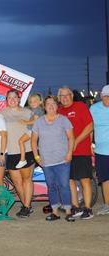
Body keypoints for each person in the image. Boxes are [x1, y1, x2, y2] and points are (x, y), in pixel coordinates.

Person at [31, 96, 75, 222]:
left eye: (53, 103)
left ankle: (68, 211)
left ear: (57, 105)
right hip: (46, 161)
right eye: (48, 104)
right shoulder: (39, 122)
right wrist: (37, 157)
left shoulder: (64, 120)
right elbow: (33, 141)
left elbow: (71, 138)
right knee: (51, 186)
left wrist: (69, 153)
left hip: (63, 160)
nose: (51, 106)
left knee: (64, 185)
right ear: (44, 107)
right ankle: (55, 212)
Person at [58, 86, 94, 220]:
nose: (64, 98)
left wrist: (76, 141)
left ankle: (88, 208)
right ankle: (76, 206)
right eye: (61, 96)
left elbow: (90, 126)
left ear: (72, 96)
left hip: (81, 151)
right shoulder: (59, 111)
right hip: (66, 152)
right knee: (69, 180)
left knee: (85, 179)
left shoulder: (80, 106)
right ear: (59, 98)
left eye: (67, 95)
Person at [1, 89, 35, 218]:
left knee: (27, 180)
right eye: (10, 97)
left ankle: (26, 207)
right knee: (17, 183)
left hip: (27, 150)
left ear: (19, 99)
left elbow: (36, 128)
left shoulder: (28, 112)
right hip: (11, 151)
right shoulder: (2, 114)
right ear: (6, 100)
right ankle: (27, 205)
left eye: (15, 97)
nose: (13, 99)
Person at [90, 85, 109, 215]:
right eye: (106, 96)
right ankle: (107, 205)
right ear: (101, 96)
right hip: (101, 151)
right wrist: (89, 144)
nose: (108, 99)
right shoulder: (94, 108)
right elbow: (89, 127)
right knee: (105, 179)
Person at [16, 93, 44, 168]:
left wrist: (25, 122)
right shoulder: (35, 110)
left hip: (32, 130)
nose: (32, 103)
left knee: (21, 141)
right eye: (31, 102)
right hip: (33, 130)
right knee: (32, 144)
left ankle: (22, 159)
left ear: (40, 102)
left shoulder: (37, 110)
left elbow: (35, 121)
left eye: (35, 101)